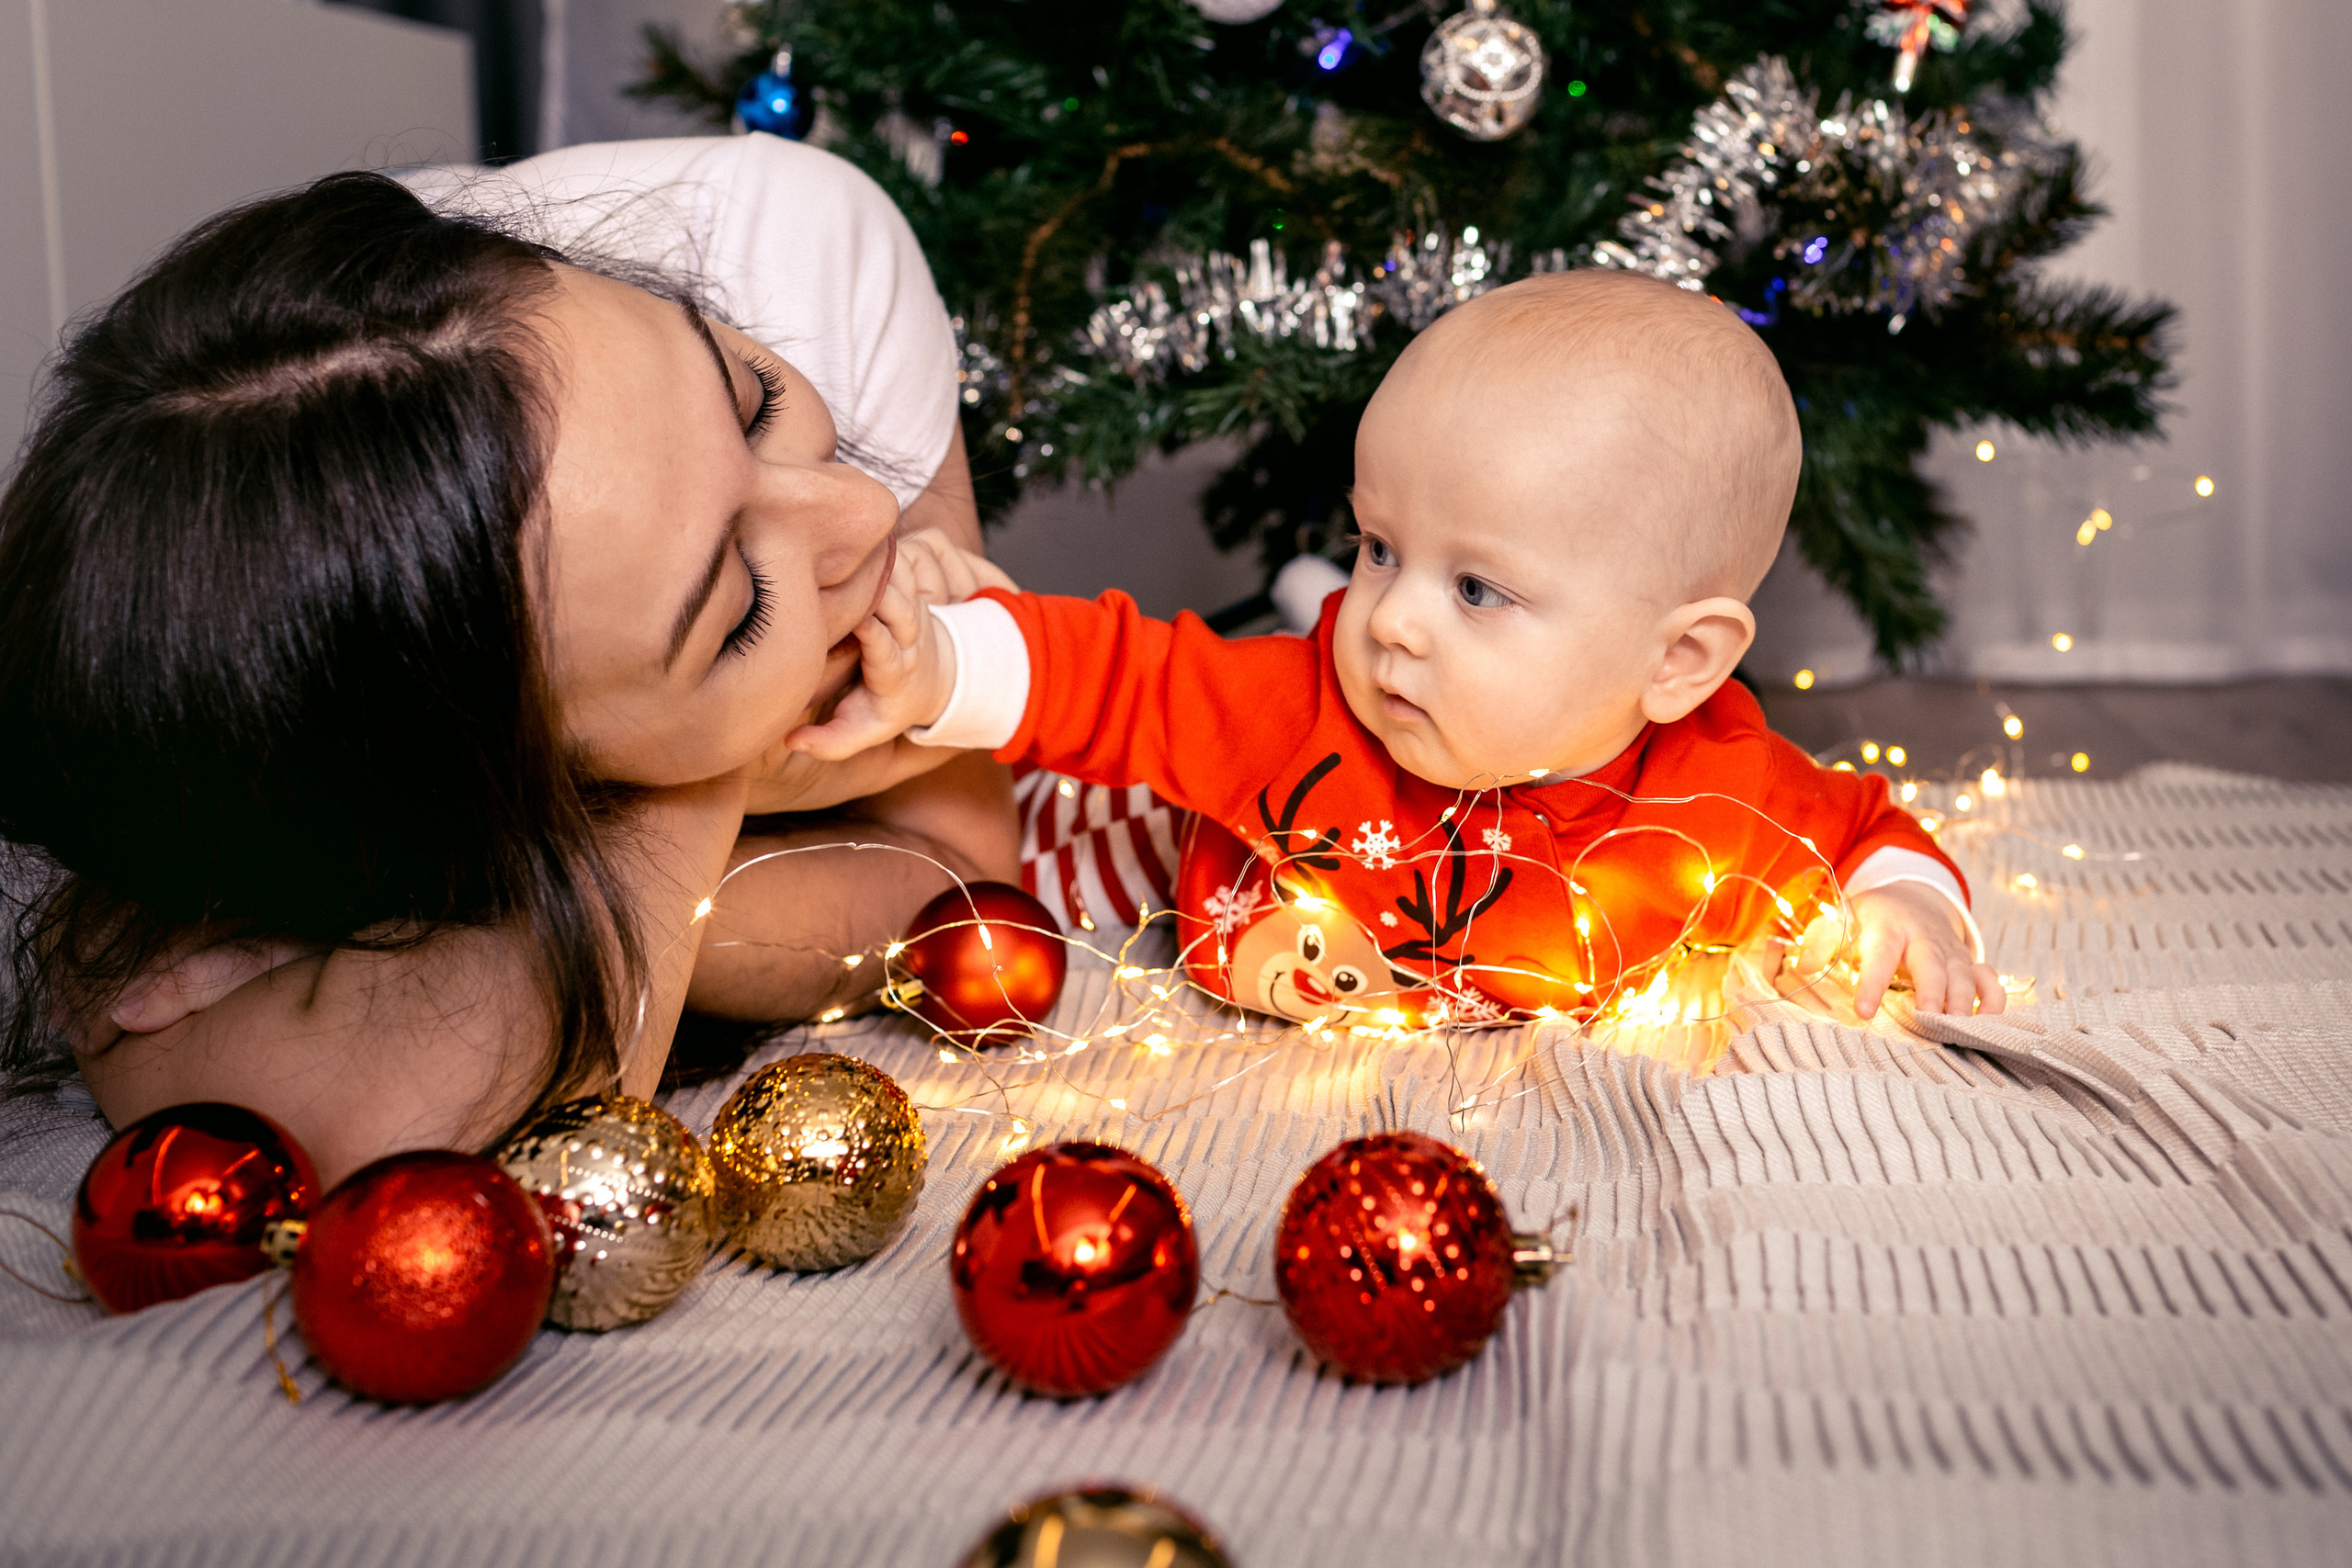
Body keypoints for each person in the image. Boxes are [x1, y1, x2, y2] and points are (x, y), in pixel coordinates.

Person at [0, 136, 1018, 1185]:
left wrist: (505, 918)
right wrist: (705, 794)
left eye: (753, 397)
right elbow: (372, 1118)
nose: (860, 512)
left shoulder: (797, 248)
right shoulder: (262, 688)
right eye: (737, 607)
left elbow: (967, 882)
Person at [797, 270, 2006, 1024]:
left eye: (1478, 587)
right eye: (1380, 547)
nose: (1395, 620)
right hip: (1164, 833)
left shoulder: (1722, 796)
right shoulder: (1313, 702)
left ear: (1679, 662)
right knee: (984, 868)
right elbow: (1120, 678)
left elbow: (1866, 832)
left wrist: (1912, 906)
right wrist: (942, 665)